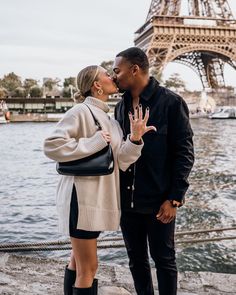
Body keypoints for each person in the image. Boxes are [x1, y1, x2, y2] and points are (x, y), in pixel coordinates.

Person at [44, 65, 156, 295]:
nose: (112, 76)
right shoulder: (80, 112)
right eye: (107, 74)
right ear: (96, 84)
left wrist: (135, 139)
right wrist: (94, 142)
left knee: (77, 262)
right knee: (89, 268)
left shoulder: (109, 119)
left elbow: (121, 161)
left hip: (95, 200)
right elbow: (51, 145)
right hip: (82, 200)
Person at [113, 47, 194, 295]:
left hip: (161, 202)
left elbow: (185, 153)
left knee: (165, 261)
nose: (114, 76)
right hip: (128, 202)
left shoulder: (171, 102)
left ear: (134, 70)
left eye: (117, 70)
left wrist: (175, 198)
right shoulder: (120, 106)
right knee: (136, 261)